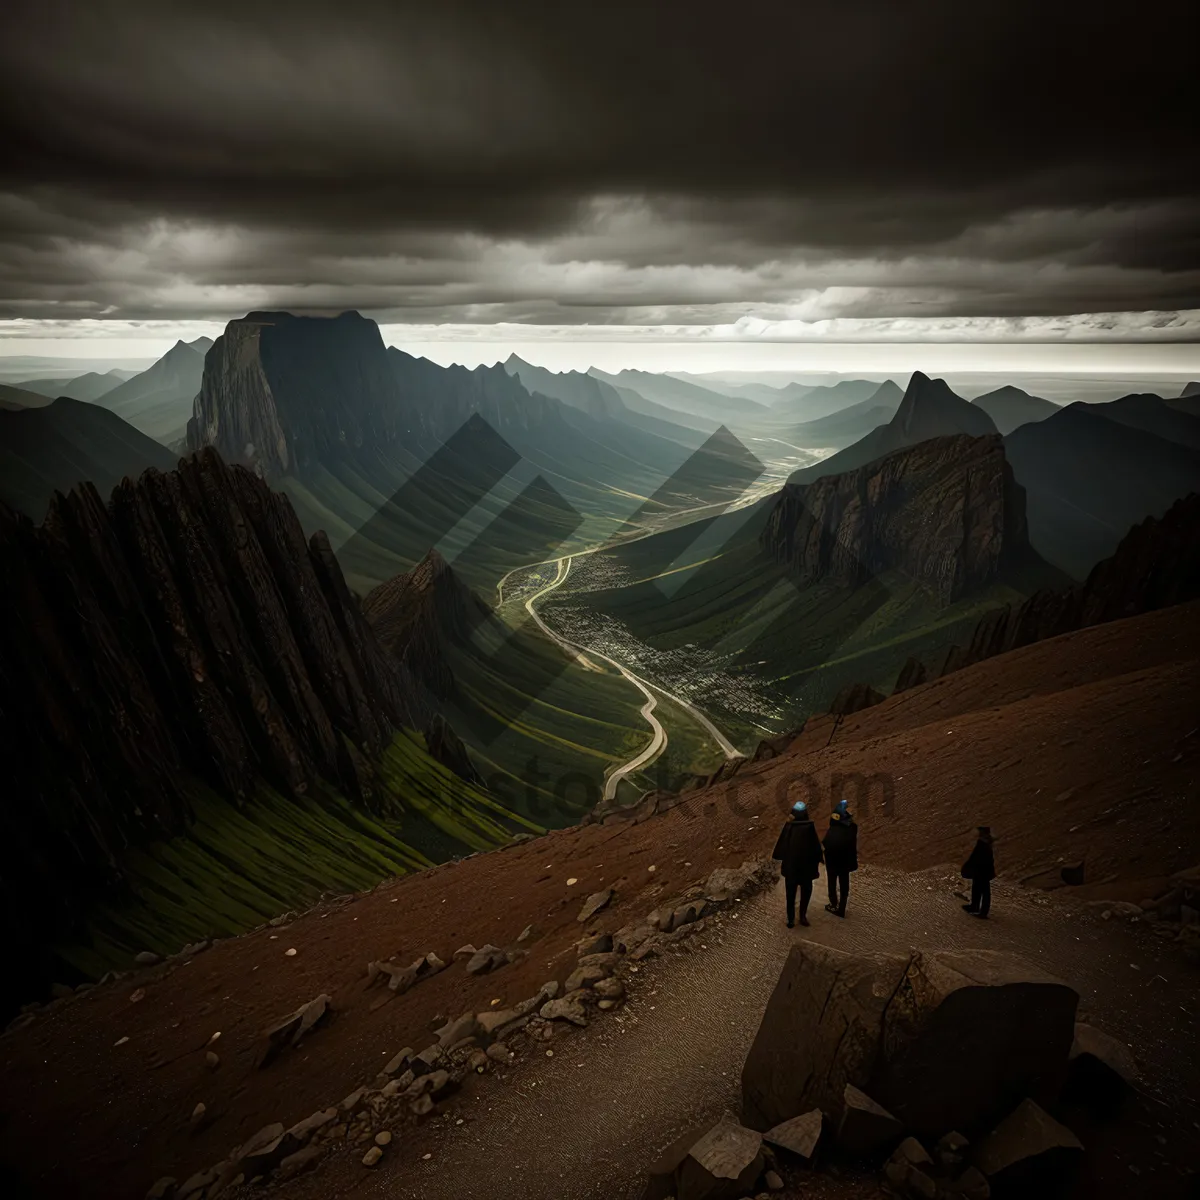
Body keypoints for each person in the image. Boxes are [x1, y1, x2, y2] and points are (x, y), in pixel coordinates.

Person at [772, 800, 823, 927]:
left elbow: (781, 846)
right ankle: (802, 916)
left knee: (790, 895)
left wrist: (779, 857)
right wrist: (819, 859)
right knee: (806, 893)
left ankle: (790, 920)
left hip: (791, 868)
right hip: (806, 868)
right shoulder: (810, 827)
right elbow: (816, 846)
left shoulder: (788, 827)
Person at [823, 799, 859, 917]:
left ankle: (833, 904)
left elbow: (825, 843)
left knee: (832, 883)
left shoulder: (832, 829)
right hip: (844, 861)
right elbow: (853, 825)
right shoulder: (852, 829)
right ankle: (841, 908)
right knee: (844, 884)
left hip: (832, 861)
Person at [961, 826, 996, 918]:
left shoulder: (984, 843)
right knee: (977, 888)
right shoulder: (985, 842)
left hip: (982, 870)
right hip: (981, 870)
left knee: (983, 890)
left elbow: (977, 858)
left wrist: (969, 866)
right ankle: (975, 906)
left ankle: (982, 911)